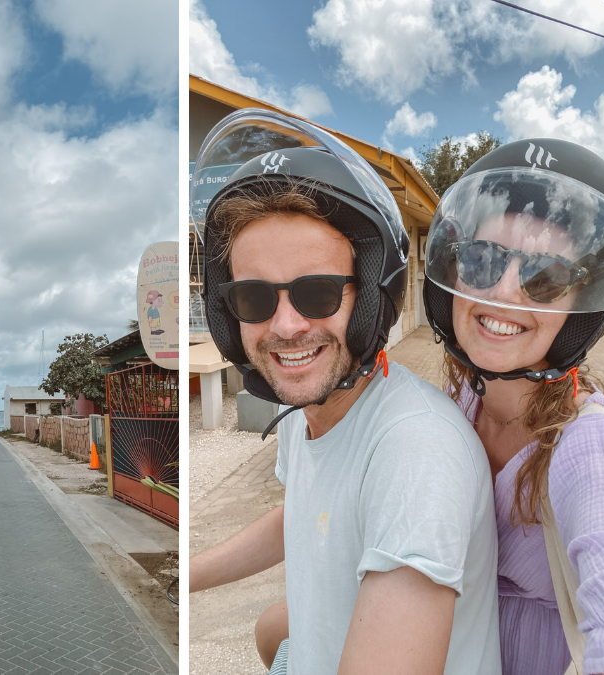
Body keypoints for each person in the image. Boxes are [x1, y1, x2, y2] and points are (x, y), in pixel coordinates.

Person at [189, 109, 500, 674]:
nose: (286, 327)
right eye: (254, 299)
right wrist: (190, 573)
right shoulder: (305, 409)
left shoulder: (416, 451)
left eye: (318, 294)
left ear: (371, 301)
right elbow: (305, 513)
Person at [424, 138, 604, 675]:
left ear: (580, 308)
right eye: (480, 260)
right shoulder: (458, 403)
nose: (504, 291)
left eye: (546, 278)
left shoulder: (594, 445)